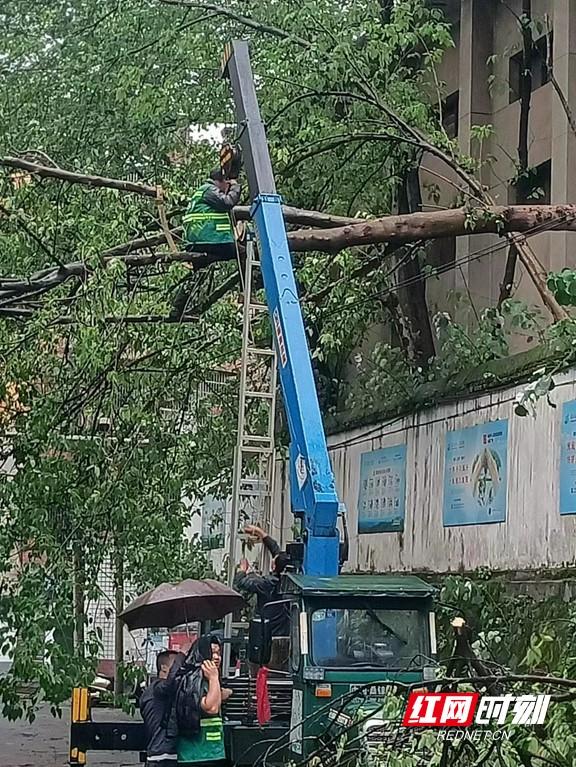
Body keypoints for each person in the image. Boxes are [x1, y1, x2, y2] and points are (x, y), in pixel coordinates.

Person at [171, 169, 242, 320]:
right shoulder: (209, 190)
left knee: (197, 275)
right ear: (222, 181)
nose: (227, 188)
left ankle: (177, 309)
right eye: (227, 184)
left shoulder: (201, 192)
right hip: (211, 240)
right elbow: (227, 202)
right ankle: (246, 292)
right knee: (245, 253)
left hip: (199, 241)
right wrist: (236, 187)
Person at [175, 635, 227, 767]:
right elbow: (211, 707)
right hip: (198, 753)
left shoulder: (206, 679)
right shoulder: (193, 678)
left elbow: (215, 696)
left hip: (210, 752)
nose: (216, 657)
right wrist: (214, 677)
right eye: (212, 653)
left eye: (218, 653)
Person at [233, 525, 290, 638]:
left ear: (274, 566)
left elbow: (240, 582)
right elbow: (277, 552)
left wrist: (242, 570)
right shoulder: (288, 579)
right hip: (284, 632)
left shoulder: (267, 585)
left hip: (269, 636)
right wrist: (262, 534)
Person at [140, 649, 186, 766]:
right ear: (164, 668)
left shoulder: (162, 692)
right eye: (176, 665)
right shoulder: (157, 688)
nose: (180, 669)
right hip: (161, 756)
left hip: (163, 755)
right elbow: (170, 683)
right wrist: (182, 655)